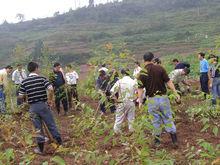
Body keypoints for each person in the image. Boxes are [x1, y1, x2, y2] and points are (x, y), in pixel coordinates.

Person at [18, 62, 62, 154]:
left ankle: (41, 150)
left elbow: (20, 96)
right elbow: (50, 89)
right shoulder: (42, 78)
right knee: (51, 125)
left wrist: (26, 103)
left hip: (33, 108)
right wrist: (50, 100)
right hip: (43, 105)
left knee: (38, 129)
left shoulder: (24, 82)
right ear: (36, 68)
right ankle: (60, 145)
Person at [138, 52, 180, 147]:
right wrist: (175, 92)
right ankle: (174, 141)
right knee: (167, 118)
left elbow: (140, 88)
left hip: (152, 100)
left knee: (155, 120)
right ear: (153, 59)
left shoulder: (142, 72)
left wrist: (140, 101)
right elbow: (169, 82)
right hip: (163, 98)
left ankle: (157, 143)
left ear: (143, 61)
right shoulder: (160, 68)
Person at [110, 69, 137, 134]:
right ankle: (131, 130)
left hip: (121, 102)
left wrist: (116, 100)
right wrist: (135, 99)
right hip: (131, 102)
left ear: (122, 74)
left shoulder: (119, 81)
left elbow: (112, 92)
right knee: (131, 118)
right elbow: (139, 91)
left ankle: (116, 132)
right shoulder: (133, 81)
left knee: (119, 118)